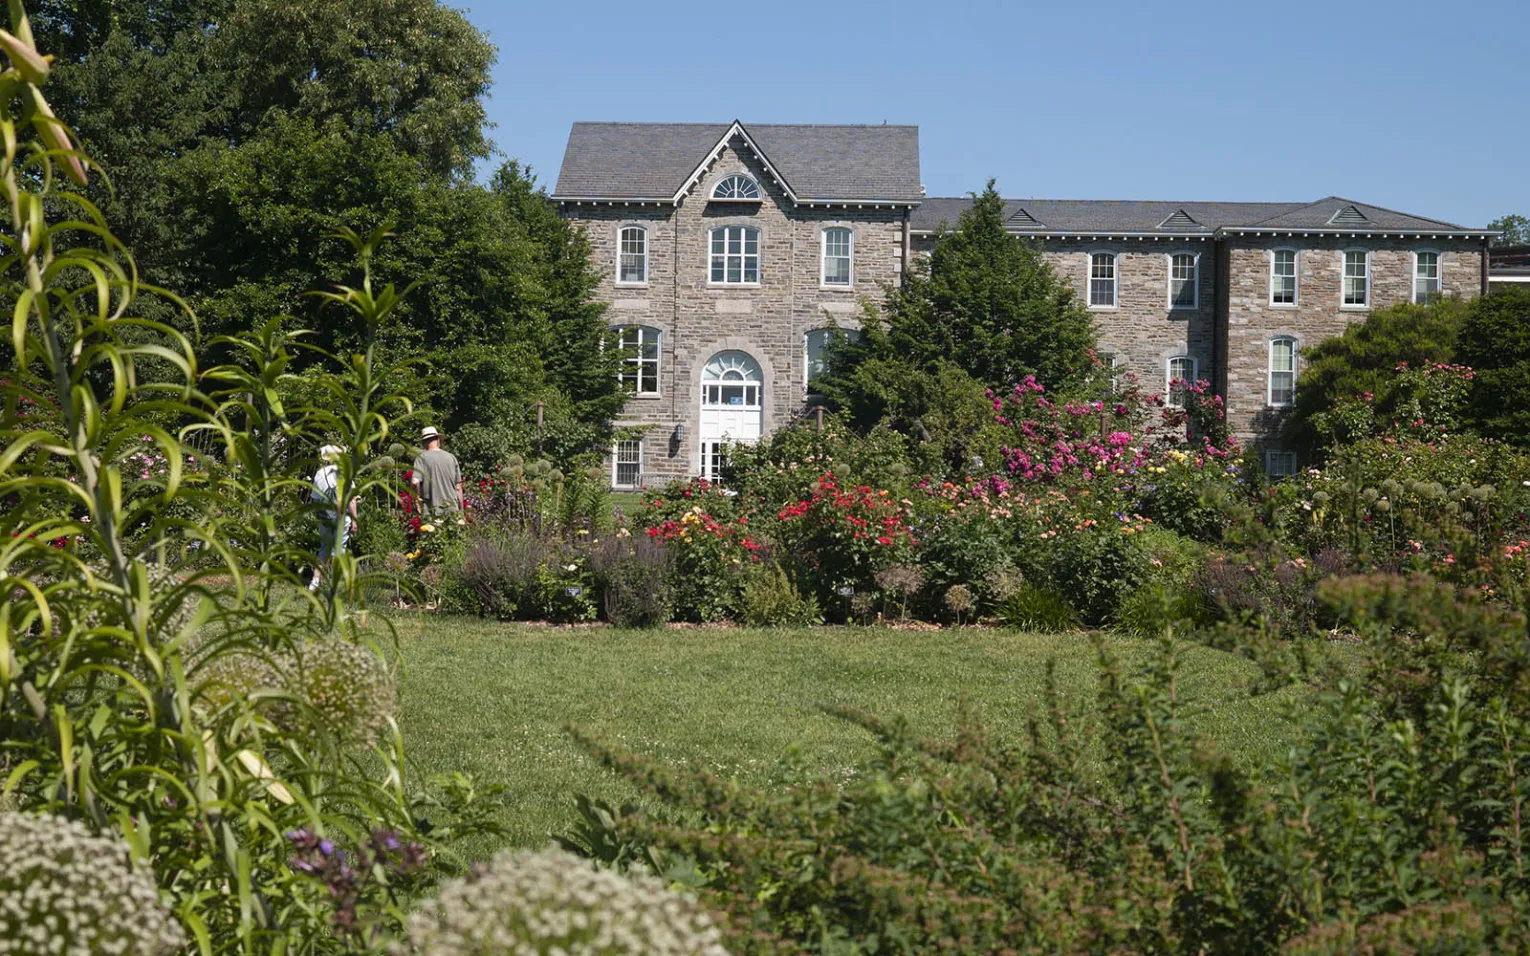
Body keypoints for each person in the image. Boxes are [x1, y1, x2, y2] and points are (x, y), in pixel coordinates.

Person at [309, 444, 358, 592]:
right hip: (341, 516)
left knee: (324, 549)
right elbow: (352, 499)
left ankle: (315, 582)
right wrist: (355, 520)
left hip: (324, 517)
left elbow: (315, 499)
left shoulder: (319, 474)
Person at [411, 426, 464, 517]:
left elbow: (415, 482)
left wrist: (417, 500)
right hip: (451, 509)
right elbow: (458, 488)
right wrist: (461, 511)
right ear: (438, 440)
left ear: (424, 442)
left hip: (431, 510)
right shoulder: (451, 457)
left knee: (432, 531)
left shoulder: (421, 458)